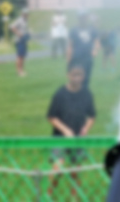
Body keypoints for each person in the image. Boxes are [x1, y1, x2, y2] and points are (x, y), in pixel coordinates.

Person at [47, 63, 96, 196]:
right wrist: (65, 130)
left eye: (79, 75)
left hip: (78, 139)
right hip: (60, 137)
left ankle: (75, 197)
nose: (76, 78)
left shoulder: (86, 94)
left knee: (76, 171)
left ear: (84, 76)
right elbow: (51, 117)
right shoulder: (60, 94)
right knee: (58, 168)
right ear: (68, 75)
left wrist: (86, 128)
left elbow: (92, 116)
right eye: (74, 74)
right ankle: (49, 195)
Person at [66, 14, 99, 85]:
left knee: (86, 79)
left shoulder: (92, 29)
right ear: (78, 19)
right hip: (76, 58)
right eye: (81, 17)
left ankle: (84, 93)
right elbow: (70, 45)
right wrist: (69, 59)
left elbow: (97, 42)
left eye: (84, 17)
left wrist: (95, 50)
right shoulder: (74, 30)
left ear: (87, 18)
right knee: (76, 79)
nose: (83, 19)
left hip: (87, 58)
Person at [10, 13, 30, 78]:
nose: (27, 15)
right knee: (19, 56)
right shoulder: (20, 20)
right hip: (19, 40)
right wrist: (18, 33)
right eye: (26, 14)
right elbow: (12, 27)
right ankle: (19, 71)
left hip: (23, 40)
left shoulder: (25, 21)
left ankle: (22, 70)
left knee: (23, 56)